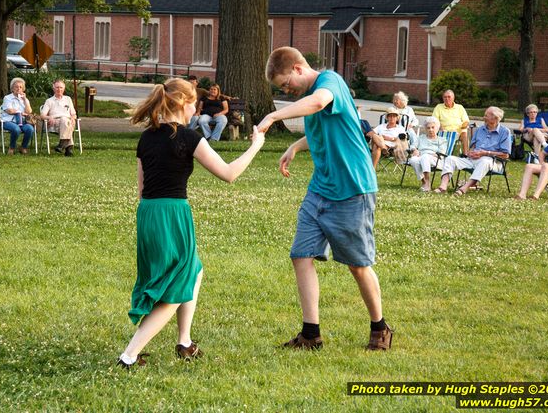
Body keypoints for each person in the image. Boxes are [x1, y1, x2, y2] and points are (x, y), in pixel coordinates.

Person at [117, 78, 265, 369]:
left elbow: (141, 188)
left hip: (148, 213)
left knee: (193, 271)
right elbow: (229, 173)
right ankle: (129, 356)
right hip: (173, 215)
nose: (195, 111)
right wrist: (256, 145)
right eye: (194, 105)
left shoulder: (146, 137)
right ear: (184, 104)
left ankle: (184, 342)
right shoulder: (188, 137)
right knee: (174, 288)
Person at [256, 46, 392, 351]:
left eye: (286, 84)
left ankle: (380, 328)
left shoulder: (330, 82)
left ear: (298, 69)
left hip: (353, 190)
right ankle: (310, 334)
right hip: (320, 190)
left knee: (357, 265)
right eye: (282, 90)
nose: (287, 91)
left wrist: (274, 116)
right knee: (300, 255)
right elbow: (323, 127)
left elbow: (318, 103)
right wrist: (296, 146)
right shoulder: (312, 99)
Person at [433, 106, 511, 196]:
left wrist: (485, 153)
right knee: (450, 159)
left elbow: (505, 155)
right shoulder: (480, 130)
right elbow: (472, 147)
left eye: (486, 116)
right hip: (473, 160)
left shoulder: (505, 132)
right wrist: (471, 153)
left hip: (494, 162)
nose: (483, 117)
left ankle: (464, 188)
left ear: (496, 118)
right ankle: (443, 187)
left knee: (485, 160)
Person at [407, 116, 447, 192]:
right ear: (425, 129)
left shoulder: (442, 140)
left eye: (433, 127)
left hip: (436, 160)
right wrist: (414, 150)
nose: (430, 130)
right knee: (412, 160)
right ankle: (424, 182)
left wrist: (425, 154)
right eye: (428, 128)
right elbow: (412, 146)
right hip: (421, 157)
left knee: (425, 157)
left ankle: (428, 182)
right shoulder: (421, 138)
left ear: (437, 128)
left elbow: (442, 153)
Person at [40, 79, 77, 157]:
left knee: (66, 121)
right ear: (53, 89)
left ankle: (62, 145)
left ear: (64, 89)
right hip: (55, 123)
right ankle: (68, 148)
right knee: (66, 121)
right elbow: (42, 115)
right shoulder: (49, 101)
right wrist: (49, 117)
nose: (59, 89)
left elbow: (73, 114)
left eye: (61, 87)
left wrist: (73, 118)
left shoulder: (68, 99)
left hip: (68, 121)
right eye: (57, 87)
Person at [0, 77, 35, 155]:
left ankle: (23, 147)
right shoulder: (7, 98)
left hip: (22, 122)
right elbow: (9, 110)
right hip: (8, 121)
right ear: (12, 88)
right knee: (16, 129)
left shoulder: (25, 99)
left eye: (20, 87)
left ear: (23, 89)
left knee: (30, 129)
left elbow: (29, 112)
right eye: (16, 87)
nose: (18, 89)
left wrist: (25, 100)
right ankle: (11, 147)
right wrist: (20, 113)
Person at [432, 89, 470, 155]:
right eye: (445, 97)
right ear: (443, 98)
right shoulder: (438, 107)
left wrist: (463, 127)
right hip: (444, 132)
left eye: (449, 97)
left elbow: (466, 121)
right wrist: (441, 127)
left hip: (458, 133)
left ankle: (465, 155)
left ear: (453, 98)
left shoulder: (460, 107)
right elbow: (434, 120)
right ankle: (444, 155)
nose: (447, 99)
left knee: (465, 134)